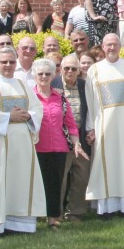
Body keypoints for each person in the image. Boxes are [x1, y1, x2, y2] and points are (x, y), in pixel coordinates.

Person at [0, 45, 45, 235]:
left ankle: (19, 224)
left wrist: (29, 116)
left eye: (12, 62)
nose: (8, 65)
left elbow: (37, 108)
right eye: (3, 62)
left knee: (19, 182)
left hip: (22, 147)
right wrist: (7, 117)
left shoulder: (22, 85)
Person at [84, 34, 124, 216]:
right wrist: (91, 128)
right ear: (103, 47)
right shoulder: (94, 71)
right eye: (108, 45)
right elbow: (90, 101)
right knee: (107, 164)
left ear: (120, 46)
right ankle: (107, 208)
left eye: (114, 45)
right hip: (104, 126)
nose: (111, 48)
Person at [32, 59, 86, 228]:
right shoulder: (30, 97)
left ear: (53, 75)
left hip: (59, 147)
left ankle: (52, 219)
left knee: (55, 184)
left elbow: (70, 124)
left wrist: (76, 143)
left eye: (48, 74)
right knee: (38, 183)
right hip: (37, 147)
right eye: (40, 74)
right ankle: (34, 216)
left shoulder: (60, 97)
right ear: (34, 76)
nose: (44, 77)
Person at [58, 54, 92, 221]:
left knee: (82, 176)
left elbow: (92, 110)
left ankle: (75, 212)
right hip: (60, 139)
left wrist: (90, 130)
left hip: (82, 138)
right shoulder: (54, 84)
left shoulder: (85, 86)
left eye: (73, 68)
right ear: (61, 69)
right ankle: (55, 213)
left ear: (79, 71)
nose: (70, 71)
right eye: (66, 68)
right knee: (60, 177)